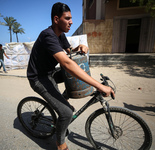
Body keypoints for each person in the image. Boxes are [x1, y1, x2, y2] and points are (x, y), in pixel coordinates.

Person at [27, 2, 115, 150]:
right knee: (67, 113)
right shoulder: (48, 35)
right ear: (56, 19)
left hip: (50, 74)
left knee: (77, 75)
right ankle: (60, 143)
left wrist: (79, 48)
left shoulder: (60, 35)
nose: (71, 22)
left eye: (71, 18)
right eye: (67, 18)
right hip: (38, 78)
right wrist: (99, 86)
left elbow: (68, 52)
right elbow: (67, 63)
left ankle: (61, 102)